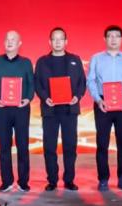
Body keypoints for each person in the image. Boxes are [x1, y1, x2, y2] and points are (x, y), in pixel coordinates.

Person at [86, 25, 122, 192]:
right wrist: (98, 99)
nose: (113, 39)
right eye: (110, 36)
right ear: (105, 39)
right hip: (103, 103)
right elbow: (91, 81)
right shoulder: (96, 58)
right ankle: (103, 179)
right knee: (102, 143)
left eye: (117, 36)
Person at [33, 27, 87, 191]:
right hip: (50, 110)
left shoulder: (75, 60)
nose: (57, 42)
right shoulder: (42, 61)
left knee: (70, 146)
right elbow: (37, 84)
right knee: (49, 146)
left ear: (66, 41)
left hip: (70, 109)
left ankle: (69, 180)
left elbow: (82, 82)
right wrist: (45, 97)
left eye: (60, 39)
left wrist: (77, 96)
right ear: (50, 42)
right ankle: (52, 180)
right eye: (54, 39)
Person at [0, 30, 34, 192]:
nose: (9, 41)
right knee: (4, 146)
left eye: (13, 39)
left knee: (23, 146)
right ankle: (6, 181)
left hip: (21, 109)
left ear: (19, 43)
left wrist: (28, 98)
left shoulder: (26, 62)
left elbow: (31, 83)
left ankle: (23, 181)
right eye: (7, 39)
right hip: (2, 109)